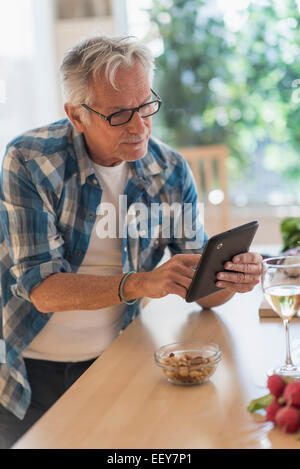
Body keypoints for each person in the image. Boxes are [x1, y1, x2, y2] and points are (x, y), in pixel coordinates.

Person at [0, 35, 262, 448]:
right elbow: (42, 289)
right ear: (76, 115)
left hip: (117, 359)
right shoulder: (30, 160)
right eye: (120, 114)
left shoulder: (169, 170)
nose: (140, 126)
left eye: (145, 106)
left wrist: (229, 277)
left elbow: (202, 290)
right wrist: (142, 282)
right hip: (27, 372)